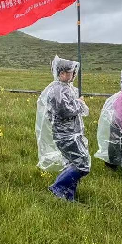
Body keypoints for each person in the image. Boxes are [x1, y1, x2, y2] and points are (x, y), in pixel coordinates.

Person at [36, 56, 91, 202]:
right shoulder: (57, 90)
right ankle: (58, 187)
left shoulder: (66, 88)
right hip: (66, 135)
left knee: (72, 164)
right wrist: (79, 104)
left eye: (73, 71)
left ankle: (68, 196)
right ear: (61, 73)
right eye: (71, 72)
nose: (74, 74)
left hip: (71, 133)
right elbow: (64, 111)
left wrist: (77, 103)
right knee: (83, 165)